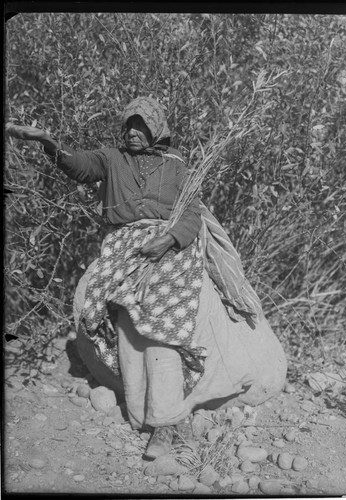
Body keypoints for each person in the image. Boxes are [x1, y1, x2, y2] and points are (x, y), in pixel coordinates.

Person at [6, 97, 287, 460]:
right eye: (129, 125)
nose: (133, 132)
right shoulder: (111, 158)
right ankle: (142, 411)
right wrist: (48, 141)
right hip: (125, 243)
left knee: (162, 320)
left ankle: (168, 423)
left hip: (169, 245)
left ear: (157, 129)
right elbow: (78, 166)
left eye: (142, 126)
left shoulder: (176, 165)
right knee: (122, 319)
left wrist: (169, 239)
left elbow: (192, 213)